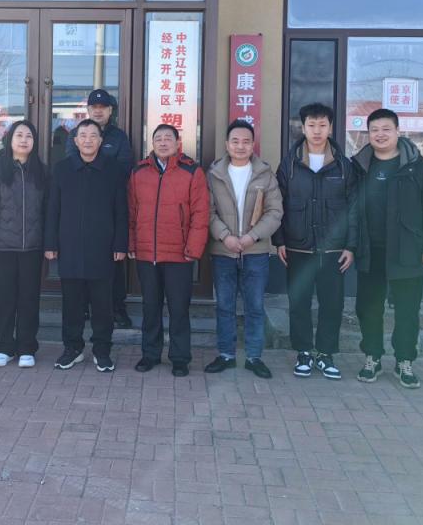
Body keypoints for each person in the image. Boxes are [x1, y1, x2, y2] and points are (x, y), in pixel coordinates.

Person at [352, 108, 423, 389]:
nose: (380, 135)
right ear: (368, 134)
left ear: (397, 131)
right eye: (374, 130)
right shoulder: (359, 167)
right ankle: (372, 357)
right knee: (368, 308)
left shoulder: (417, 167)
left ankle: (404, 360)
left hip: (408, 250)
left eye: (386, 129)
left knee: (406, 310)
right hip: (370, 251)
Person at [274, 103, 358, 380]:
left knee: (332, 304)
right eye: (311, 125)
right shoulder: (290, 164)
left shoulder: (344, 166)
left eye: (322, 125)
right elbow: (277, 204)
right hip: (297, 246)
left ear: (330, 128)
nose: (317, 131)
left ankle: (325, 354)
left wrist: (351, 246)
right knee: (299, 302)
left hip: (333, 249)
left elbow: (354, 209)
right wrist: (279, 241)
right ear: (303, 127)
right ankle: (303, 352)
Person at [45, 119, 128, 372]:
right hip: (69, 247)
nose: (88, 140)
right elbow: (53, 209)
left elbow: (121, 210)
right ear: (76, 141)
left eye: (93, 135)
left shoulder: (113, 169)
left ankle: (102, 350)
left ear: (101, 141)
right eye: (83, 135)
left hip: (103, 248)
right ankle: (73, 348)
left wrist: (120, 243)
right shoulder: (62, 169)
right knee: (72, 304)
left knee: (103, 305)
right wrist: (50, 242)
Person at [128, 124, 209, 377]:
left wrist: (193, 249)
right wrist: (131, 244)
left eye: (168, 138)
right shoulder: (139, 172)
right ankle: (150, 354)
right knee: (150, 307)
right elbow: (131, 212)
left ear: (177, 143)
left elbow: (200, 214)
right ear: (152, 143)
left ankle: (180, 358)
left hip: (179, 254)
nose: (163, 143)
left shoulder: (191, 171)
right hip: (146, 253)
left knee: (178, 308)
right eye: (158, 139)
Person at [204, 120, 283, 379]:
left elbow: (275, 212)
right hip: (223, 251)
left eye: (246, 141)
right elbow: (207, 211)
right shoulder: (214, 174)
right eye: (235, 141)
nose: (240, 146)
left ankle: (254, 357)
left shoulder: (265, 174)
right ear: (227, 144)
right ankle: (226, 354)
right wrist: (225, 236)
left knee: (255, 306)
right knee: (224, 305)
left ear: (253, 145)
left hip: (255, 251)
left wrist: (252, 236)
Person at [0, 120, 47, 369]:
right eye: (19, 135)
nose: (24, 140)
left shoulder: (41, 170)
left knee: (29, 299)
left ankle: (27, 347)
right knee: (4, 299)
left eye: (29, 136)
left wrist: (48, 243)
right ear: (10, 140)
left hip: (33, 247)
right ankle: (5, 347)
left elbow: (48, 209)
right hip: (3, 247)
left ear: (34, 142)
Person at [66, 88, 134, 328]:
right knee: (82, 259)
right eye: (93, 107)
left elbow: (124, 169)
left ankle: (117, 309)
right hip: (80, 207)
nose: (98, 111)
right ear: (88, 110)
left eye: (102, 107)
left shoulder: (119, 137)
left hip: (110, 206)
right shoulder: (75, 134)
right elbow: (71, 166)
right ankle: (84, 307)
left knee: (113, 261)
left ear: (110, 110)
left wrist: (100, 173)